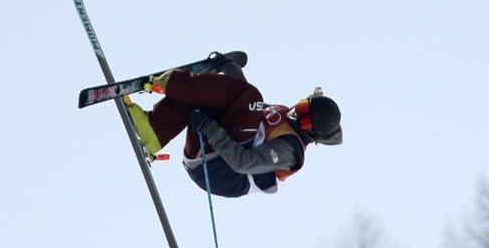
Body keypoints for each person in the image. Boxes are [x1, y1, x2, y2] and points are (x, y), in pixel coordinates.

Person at [123, 54, 342, 198]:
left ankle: (169, 83)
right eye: (303, 104)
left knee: (239, 94)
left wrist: (210, 127)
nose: (296, 110)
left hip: (223, 173)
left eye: (303, 114)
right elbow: (240, 104)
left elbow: (243, 162)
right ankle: (153, 131)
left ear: (310, 129)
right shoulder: (282, 113)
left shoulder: (289, 150)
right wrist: (229, 70)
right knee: (203, 92)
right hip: (211, 154)